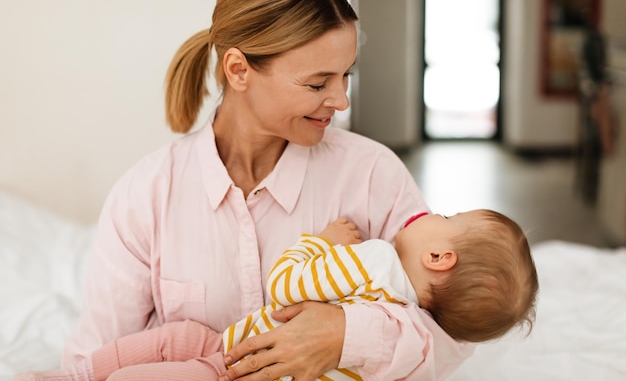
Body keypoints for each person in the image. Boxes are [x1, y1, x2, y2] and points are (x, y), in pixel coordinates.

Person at [44, 0, 477, 380]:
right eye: (317, 83)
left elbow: (452, 334)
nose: (342, 100)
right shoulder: (146, 196)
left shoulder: (372, 175)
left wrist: (346, 336)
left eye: (346, 75)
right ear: (238, 71)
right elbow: (93, 361)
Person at [17, 209, 538, 381]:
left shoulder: (376, 262)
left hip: (236, 368)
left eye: (446, 219)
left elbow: (285, 286)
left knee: (164, 358)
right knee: (177, 339)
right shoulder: (417, 325)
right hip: (231, 346)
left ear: (439, 258)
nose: (433, 214)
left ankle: (84, 374)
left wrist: (322, 244)